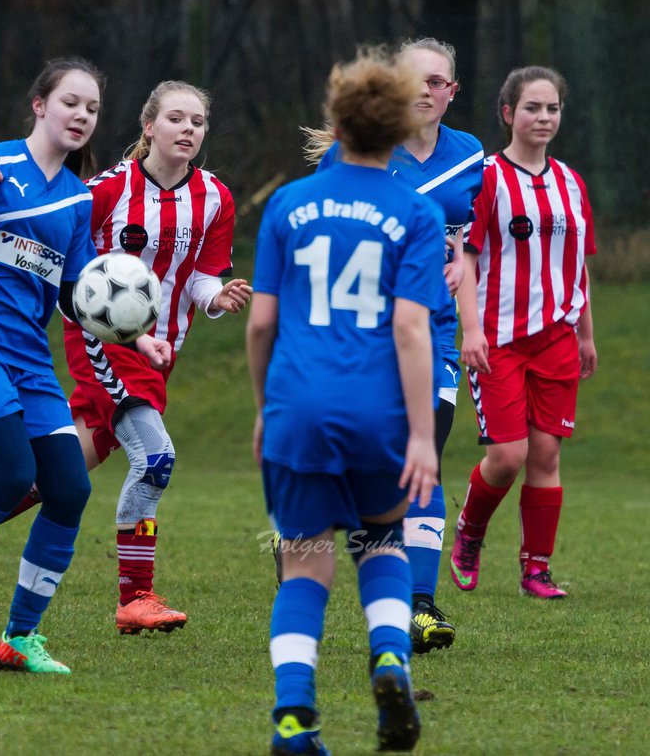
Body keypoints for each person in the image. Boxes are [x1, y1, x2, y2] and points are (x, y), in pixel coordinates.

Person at [0, 81, 252, 636]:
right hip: (101, 342)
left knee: (68, 472)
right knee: (156, 458)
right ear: (149, 126)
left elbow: (200, 276)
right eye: (175, 118)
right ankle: (135, 597)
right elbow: (78, 274)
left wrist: (215, 298)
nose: (187, 129)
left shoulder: (215, 197)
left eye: (197, 121)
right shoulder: (100, 190)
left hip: (156, 346)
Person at [0, 57, 173, 675]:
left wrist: (140, 338)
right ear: (40, 105)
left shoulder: (78, 199)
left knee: (70, 487)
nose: (82, 116)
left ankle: (20, 638)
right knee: (10, 472)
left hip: (26, 354)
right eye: (71, 103)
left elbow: (80, 295)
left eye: (93, 109)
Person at [248, 48, 445, 754]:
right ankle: (389, 655)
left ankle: (294, 718)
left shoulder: (289, 204)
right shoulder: (416, 211)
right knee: (382, 539)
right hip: (378, 410)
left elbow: (263, 322)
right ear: (397, 130)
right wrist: (422, 436)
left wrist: (267, 407)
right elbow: (411, 327)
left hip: (297, 405)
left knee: (303, 560)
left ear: (335, 123)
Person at [305, 38, 483, 654]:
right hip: (363, 337)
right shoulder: (353, 157)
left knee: (424, 457)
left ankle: (421, 606)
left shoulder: (470, 158)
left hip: (432, 335)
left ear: (453, 92)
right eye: (417, 81)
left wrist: (469, 295)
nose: (428, 91)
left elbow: (473, 242)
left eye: (440, 82)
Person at [449, 66, 596, 601]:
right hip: (497, 338)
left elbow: (577, 266)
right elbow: (463, 257)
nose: (544, 117)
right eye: (533, 107)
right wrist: (470, 329)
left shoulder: (571, 183)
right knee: (507, 456)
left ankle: (536, 569)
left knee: (545, 456)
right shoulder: (484, 178)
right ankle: (469, 533)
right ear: (508, 113)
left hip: (556, 338)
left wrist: (585, 335)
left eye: (552, 108)